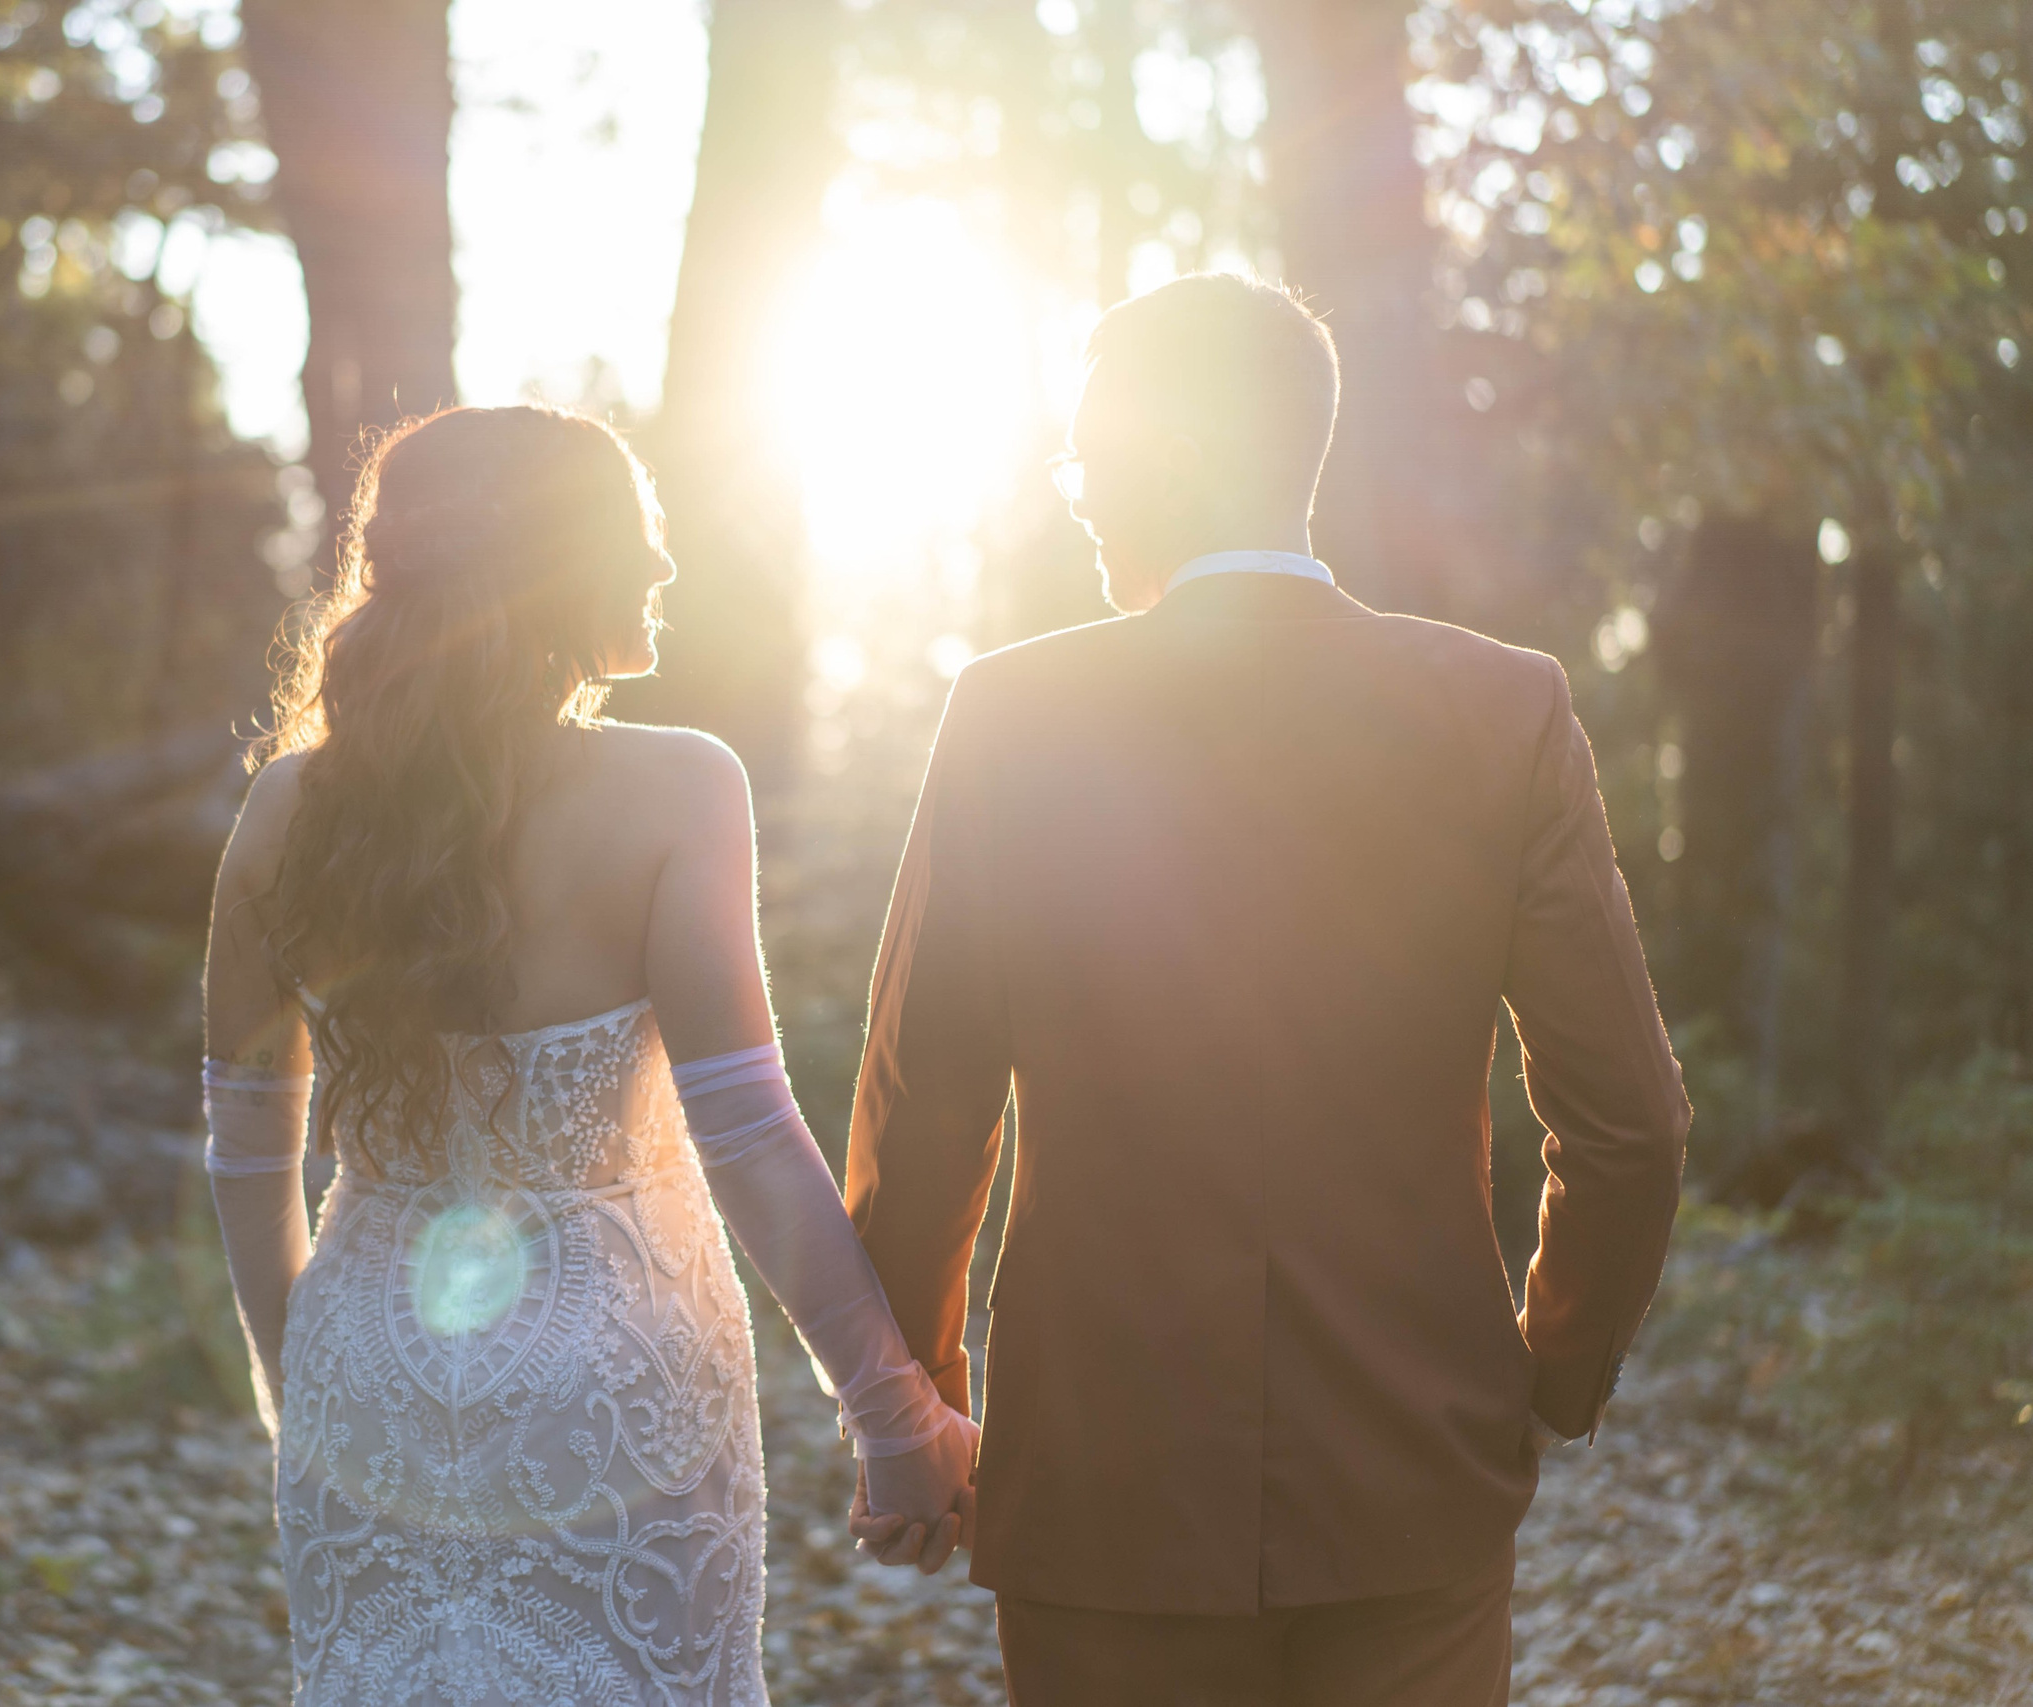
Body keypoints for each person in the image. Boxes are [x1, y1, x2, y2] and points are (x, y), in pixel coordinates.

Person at [842, 273, 1692, 1705]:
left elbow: (927, 1111)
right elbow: (1634, 1126)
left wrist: (918, 1403)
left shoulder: (1012, 717)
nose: (1082, 498)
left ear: (1165, 456)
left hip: (1103, 1491)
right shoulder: (1501, 712)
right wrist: (1550, 1374)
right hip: (1413, 1476)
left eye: (1088, 461)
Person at [198, 404, 977, 1706]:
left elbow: (242, 1152)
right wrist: (894, 1419)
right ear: (556, 564)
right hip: (618, 1388)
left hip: (364, 1373)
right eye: (639, 536)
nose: (664, 570)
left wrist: (308, 1381)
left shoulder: (288, 806)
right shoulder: (681, 786)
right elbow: (744, 1133)